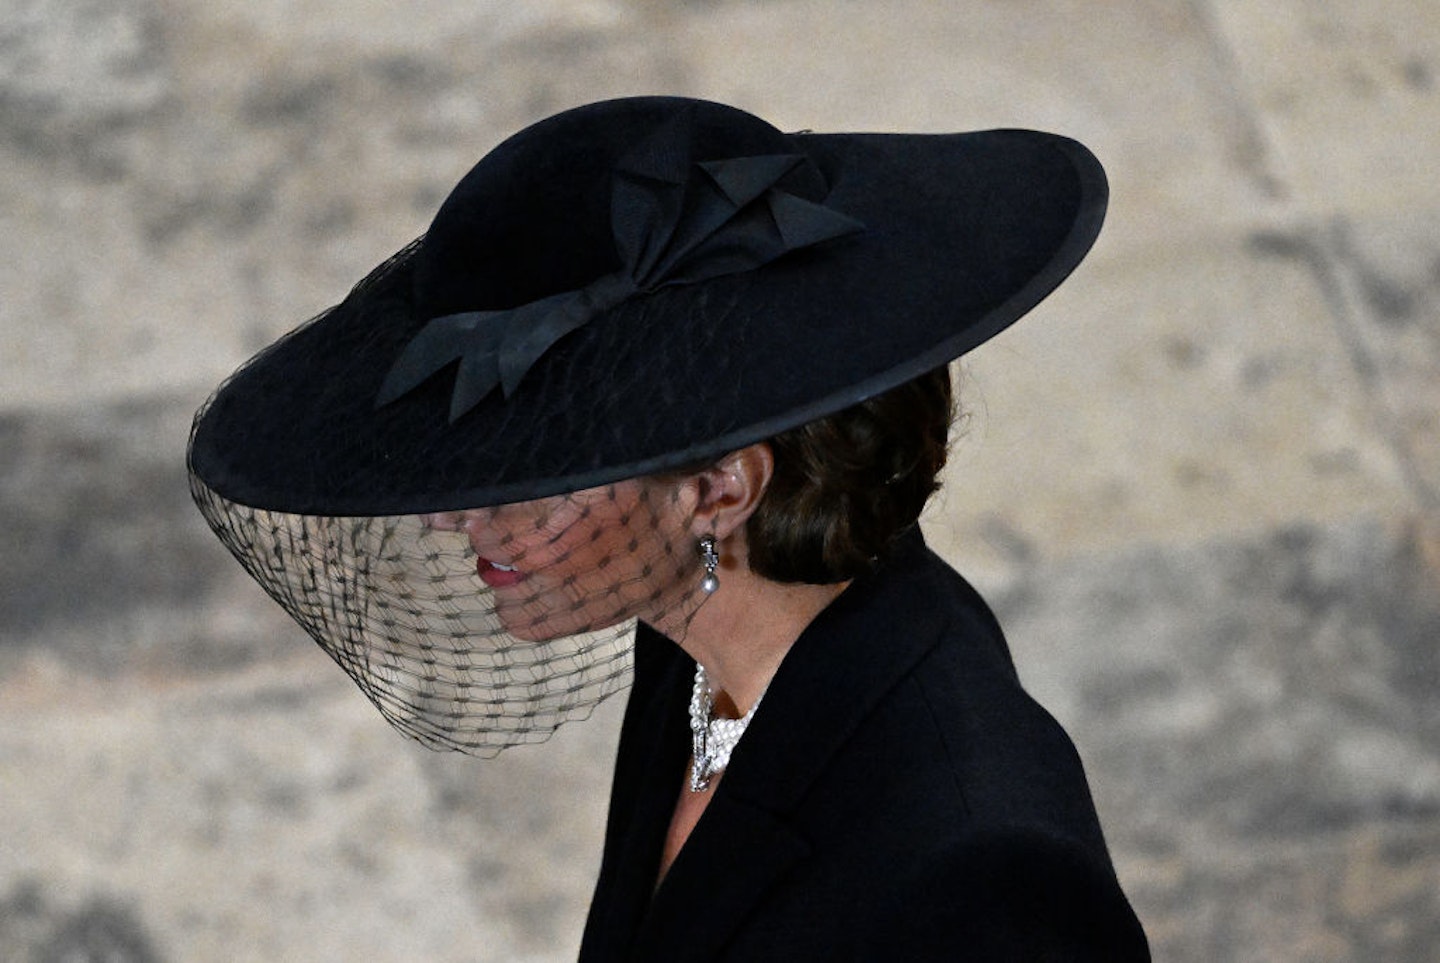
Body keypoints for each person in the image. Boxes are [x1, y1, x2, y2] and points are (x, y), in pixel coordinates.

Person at [189, 96, 1150, 960]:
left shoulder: (984, 878)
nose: (452, 516)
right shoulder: (695, 641)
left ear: (723, 489)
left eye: (534, 477)